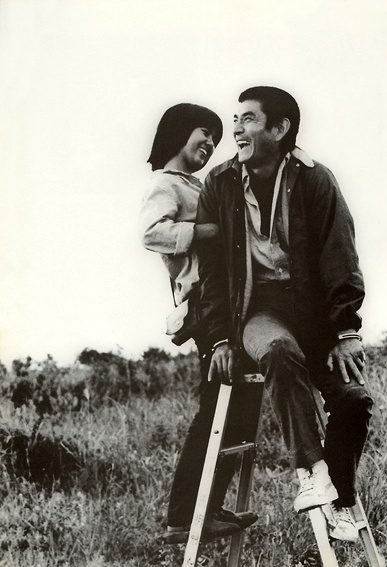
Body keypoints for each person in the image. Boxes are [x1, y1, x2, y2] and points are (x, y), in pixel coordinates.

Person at [194, 86, 374, 543]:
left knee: (354, 398)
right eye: (236, 119)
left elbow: (341, 254)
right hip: (258, 312)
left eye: (248, 119)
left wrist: (347, 329)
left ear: (280, 128)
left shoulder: (315, 179)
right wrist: (219, 338)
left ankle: (341, 502)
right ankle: (312, 472)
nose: (237, 129)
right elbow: (211, 271)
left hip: (315, 315)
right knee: (277, 349)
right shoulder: (219, 183)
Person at [139, 103, 257, 544]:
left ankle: (206, 507)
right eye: (204, 133)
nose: (210, 143)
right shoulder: (165, 184)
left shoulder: (197, 184)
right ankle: (183, 515)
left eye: (215, 139)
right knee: (216, 408)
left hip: (222, 300)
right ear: (177, 132)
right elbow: (150, 233)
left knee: (237, 409)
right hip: (204, 305)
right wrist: (208, 231)